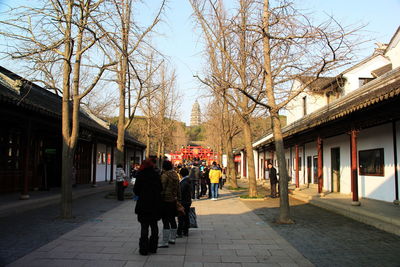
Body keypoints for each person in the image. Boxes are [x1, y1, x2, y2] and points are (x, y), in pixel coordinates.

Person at [133, 159, 162, 255]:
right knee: (154, 226)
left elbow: (136, 190)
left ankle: (144, 249)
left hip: (143, 204)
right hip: (155, 204)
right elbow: (160, 188)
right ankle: (153, 247)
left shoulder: (140, 175)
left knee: (144, 226)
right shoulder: (156, 175)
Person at [159, 160, 181, 248]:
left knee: (165, 220)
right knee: (172, 219)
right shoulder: (175, 175)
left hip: (165, 200)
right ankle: (172, 238)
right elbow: (178, 188)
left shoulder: (165, 176)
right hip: (173, 199)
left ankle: (165, 242)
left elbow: (162, 188)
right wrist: (178, 198)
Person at [177, 167, 192, 238]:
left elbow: (181, 192)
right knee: (186, 216)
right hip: (187, 201)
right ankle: (185, 231)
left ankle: (180, 232)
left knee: (181, 217)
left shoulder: (184, 182)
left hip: (183, 201)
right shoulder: (187, 180)